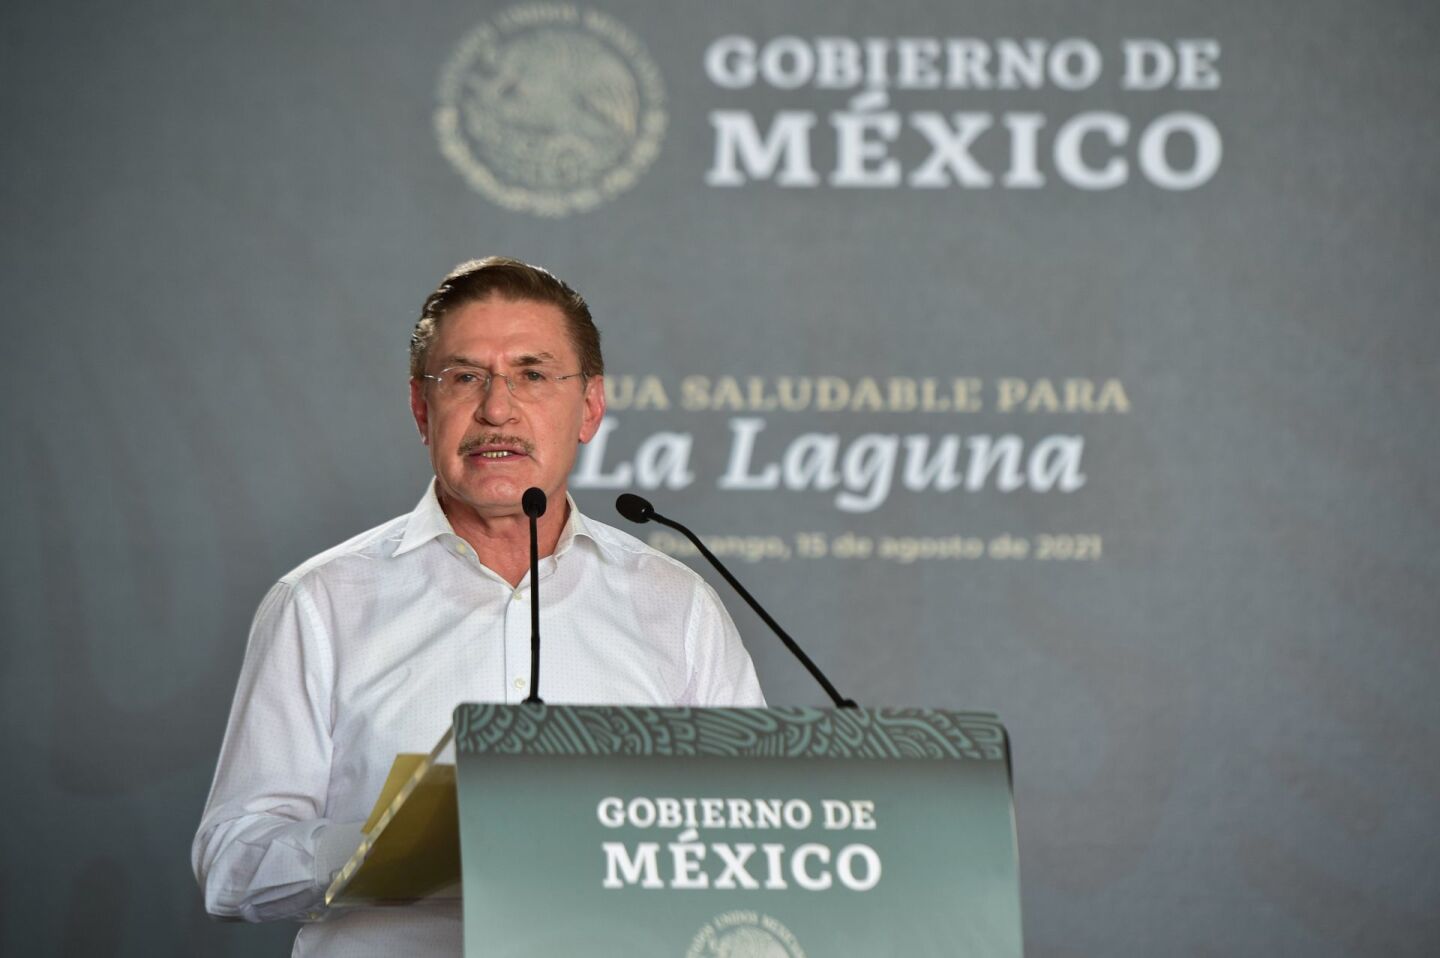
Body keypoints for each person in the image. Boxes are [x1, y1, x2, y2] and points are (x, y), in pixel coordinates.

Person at [192, 257, 766, 956]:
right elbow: (232, 863)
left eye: (532, 374)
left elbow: (751, 838)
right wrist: (405, 842)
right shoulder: (320, 603)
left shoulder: (676, 605)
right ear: (420, 407)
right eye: (464, 377)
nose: (498, 409)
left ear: (588, 407)